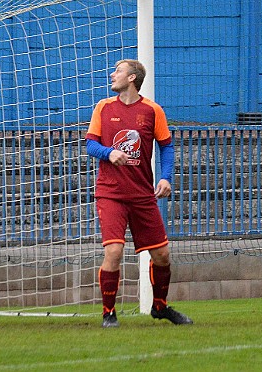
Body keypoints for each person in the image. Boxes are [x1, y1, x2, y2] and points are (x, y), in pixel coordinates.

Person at [86, 59, 192, 328]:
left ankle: (160, 307)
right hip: (110, 193)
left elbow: (166, 146)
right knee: (114, 251)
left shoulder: (153, 110)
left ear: (132, 77)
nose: (112, 74)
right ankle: (108, 313)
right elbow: (90, 144)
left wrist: (166, 177)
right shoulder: (104, 107)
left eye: (118, 71)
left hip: (143, 194)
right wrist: (109, 152)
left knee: (163, 255)